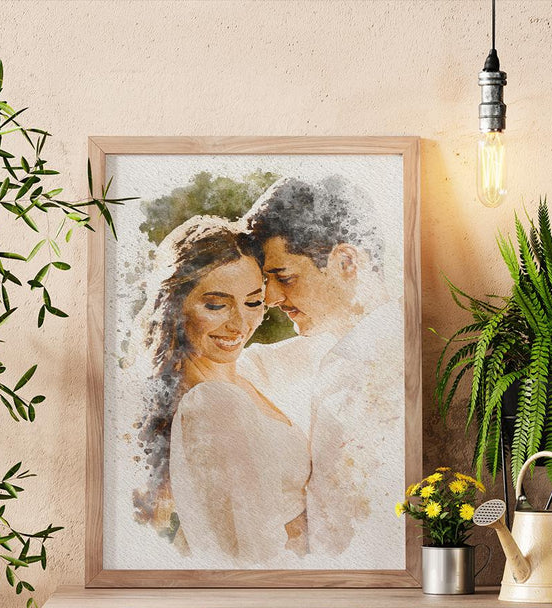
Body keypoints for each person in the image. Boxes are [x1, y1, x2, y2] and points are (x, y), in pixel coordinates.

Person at [244, 177, 404, 561]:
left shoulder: (398, 362)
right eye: (267, 282)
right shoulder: (319, 352)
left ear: (346, 262)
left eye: (284, 277)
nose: (271, 298)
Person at [135, 216, 310, 565]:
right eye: (216, 305)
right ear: (175, 305)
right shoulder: (213, 404)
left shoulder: (243, 374)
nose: (240, 324)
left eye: (252, 301)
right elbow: (252, 555)